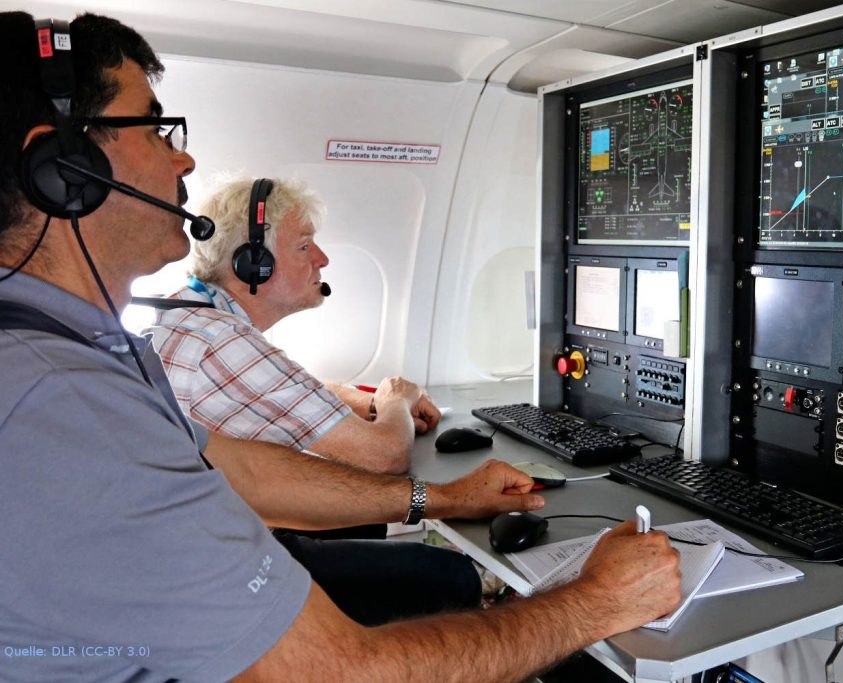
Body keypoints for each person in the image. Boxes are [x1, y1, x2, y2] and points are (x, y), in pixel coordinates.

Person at [0, 11, 682, 683]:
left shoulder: (88, 354)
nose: (185, 157)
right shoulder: (60, 401)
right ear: (66, 170)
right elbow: (337, 671)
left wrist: (442, 500)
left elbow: (249, 473)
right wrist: (593, 602)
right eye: (154, 127)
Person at [144, 177, 436, 476]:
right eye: (304, 246)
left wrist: (371, 403)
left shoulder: (191, 313)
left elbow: (285, 389)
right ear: (255, 264)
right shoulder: (222, 340)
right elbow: (386, 455)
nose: (322, 259)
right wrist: (397, 398)